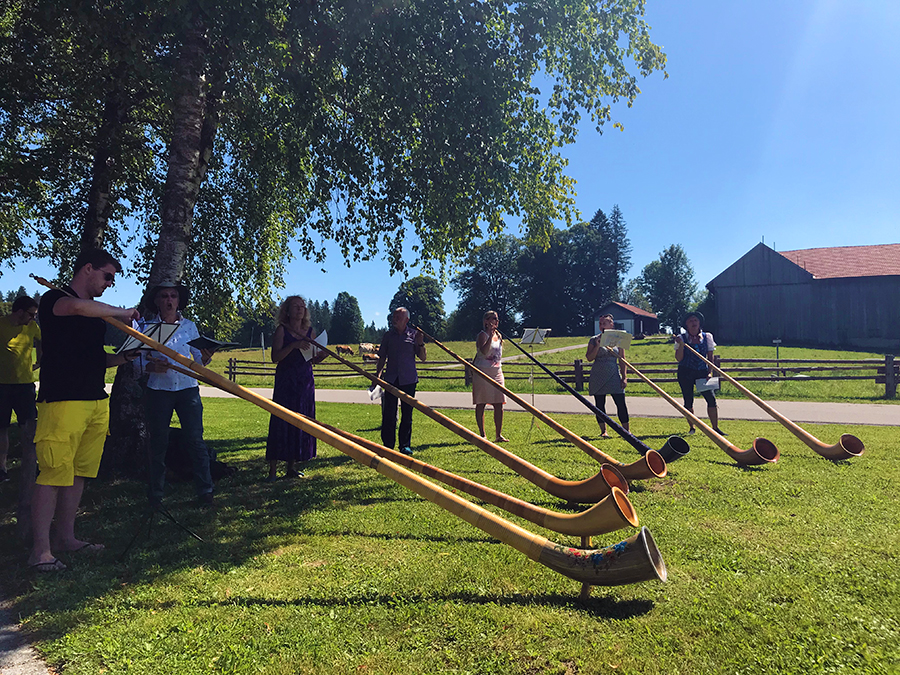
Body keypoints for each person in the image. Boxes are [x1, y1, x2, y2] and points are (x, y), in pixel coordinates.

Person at [29, 249, 140, 572]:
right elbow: (77, 306)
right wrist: (121, 312)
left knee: (79, 473)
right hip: (62, 401)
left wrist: (123, 358)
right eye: (107, 276)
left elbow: (95, 357)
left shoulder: (96, 317)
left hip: (95, 400)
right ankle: (40, 552)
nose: (110, 283)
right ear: (88, 269)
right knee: (52, 473)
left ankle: (66, 538)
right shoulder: (55, 298)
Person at [142, 282, 216, 507]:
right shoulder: (147, 328)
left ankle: (205, 492)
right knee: (158, 443)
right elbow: (139, 362)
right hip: (158, 391)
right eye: (164, 296)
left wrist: (207, 355)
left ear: (178, 300)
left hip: (187, 389)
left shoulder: (190, 326)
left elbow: (198, 361)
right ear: (157, 301)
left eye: (173, 296)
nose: (169, 300)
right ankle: (156, 496)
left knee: (195, 440)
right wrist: (152, 367)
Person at [266, 296, 327, 482]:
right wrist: (293, 345)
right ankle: (273, 471)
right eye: (295, 306)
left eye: (302, 307)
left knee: (300, 420)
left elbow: (312, 358)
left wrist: (321, 356)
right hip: (286, 381)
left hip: (305, 381)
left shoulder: (310, 331)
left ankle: (292, 467)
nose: (300, 310)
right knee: (281, 420)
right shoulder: (282, 330)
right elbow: (275, 357)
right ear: (287, 310)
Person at [0, 296, 42, 540]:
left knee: (30, 426)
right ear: (18, 311)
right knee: (2, 427)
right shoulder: (2, 324)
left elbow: (42, 341)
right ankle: (2, 467)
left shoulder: (32, 327)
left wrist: (41, 360)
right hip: (2, 386)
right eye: (29, 314)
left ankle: (31, 464)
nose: (32, 318)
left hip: (25, 385)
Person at [375, 307, 425, 456]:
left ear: (406, 320)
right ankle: (388, 446)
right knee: (389, 414)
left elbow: (422, 357)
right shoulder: (388, 336)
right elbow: (382, 357)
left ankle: (405, 445)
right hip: (390, 379)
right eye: (394, 316)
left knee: (407, 414)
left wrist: (421, 343)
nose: (394, 319)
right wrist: (377, 376)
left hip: (408, 380)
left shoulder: (414, 335)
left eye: (398, 317)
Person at [674, 311, 725, 435]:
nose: (693, 323)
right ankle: (692, 428)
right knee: (688, 401)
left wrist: (709, 372)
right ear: (686, 324)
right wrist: (681, 345)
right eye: (690, 321)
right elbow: (679, 358)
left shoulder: (707, 337)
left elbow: (710, 357)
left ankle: (715, 428)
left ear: (699, 323)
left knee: (711, 399)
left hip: (702, 371)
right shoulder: (681, 338)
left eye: (695, 320)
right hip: (685, 371)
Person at [585, 314, 629, 438]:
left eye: (604, 323)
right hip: (598, 373)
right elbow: (589, 358)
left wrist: (624, 376)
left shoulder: (619, 338)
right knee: (600, 403)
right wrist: (598, 345)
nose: (602, 326)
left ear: (611, 325)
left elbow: (622, 359)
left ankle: (626, 431)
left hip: (614, 373)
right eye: (600, 324)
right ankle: (603, 431)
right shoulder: (593, 340)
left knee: (620, 402)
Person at [472, 311, 508, 442]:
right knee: (481, 403)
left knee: (499, 403)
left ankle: (498, 435)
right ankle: (483, 435)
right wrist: (490, 336)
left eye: (497, 319)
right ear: (486, 321)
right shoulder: (482, 335)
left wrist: (494, 335)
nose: (496, 322)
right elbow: (484, 351)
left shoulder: (499, 336)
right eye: (493, 319)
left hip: (497, 371)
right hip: (482, 372)